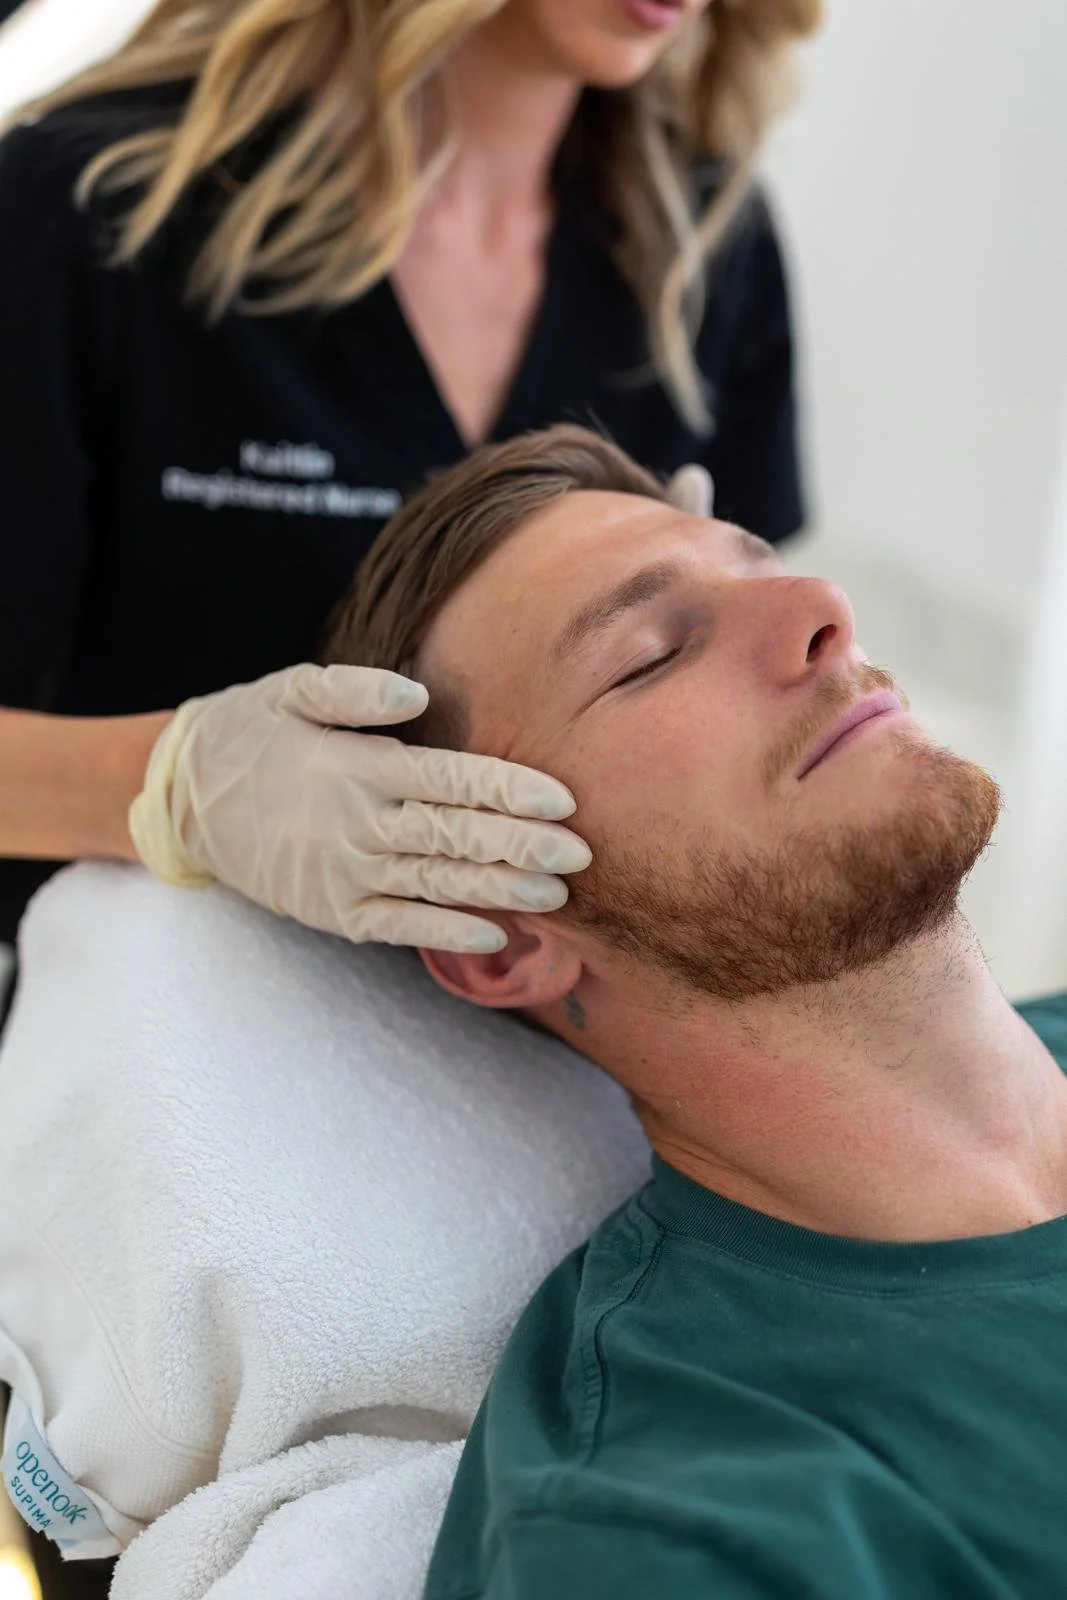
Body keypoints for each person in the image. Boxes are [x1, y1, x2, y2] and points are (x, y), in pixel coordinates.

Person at [319, 423, 1067, 1600]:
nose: (822, 608)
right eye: (653, 653)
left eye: (764, 567)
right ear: (506, 936)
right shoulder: (679, 1524)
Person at [0, 0, 819, 979]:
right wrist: (174, 786)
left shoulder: (703, 250)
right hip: (155, 1017)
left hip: (534, 1047)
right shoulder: (87, 208)